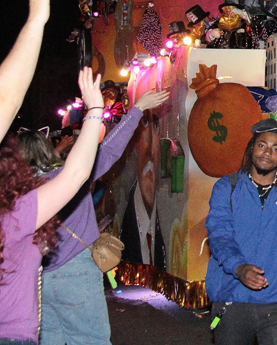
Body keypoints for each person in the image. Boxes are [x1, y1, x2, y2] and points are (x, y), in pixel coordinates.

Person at [19, 89, 169, 345]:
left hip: (36, 275)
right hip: (75, 271)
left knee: (50, 339)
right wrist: (137, 109)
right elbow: (108, 150)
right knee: (91, 339)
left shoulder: (15, 192)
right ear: (46, 149)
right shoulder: (66, 178)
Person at [205, 119, 277, 345]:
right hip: (231, 300)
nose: (268, 153)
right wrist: (239, 267)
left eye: (276, 148)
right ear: (251, 147)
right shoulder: (227, 188)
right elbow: (219, 235)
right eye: (262, 145)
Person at [120, 102, 167, 270]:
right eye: (144, 123)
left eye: (155, 125)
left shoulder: (172, 224)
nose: (149, 145)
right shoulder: (123, 215)